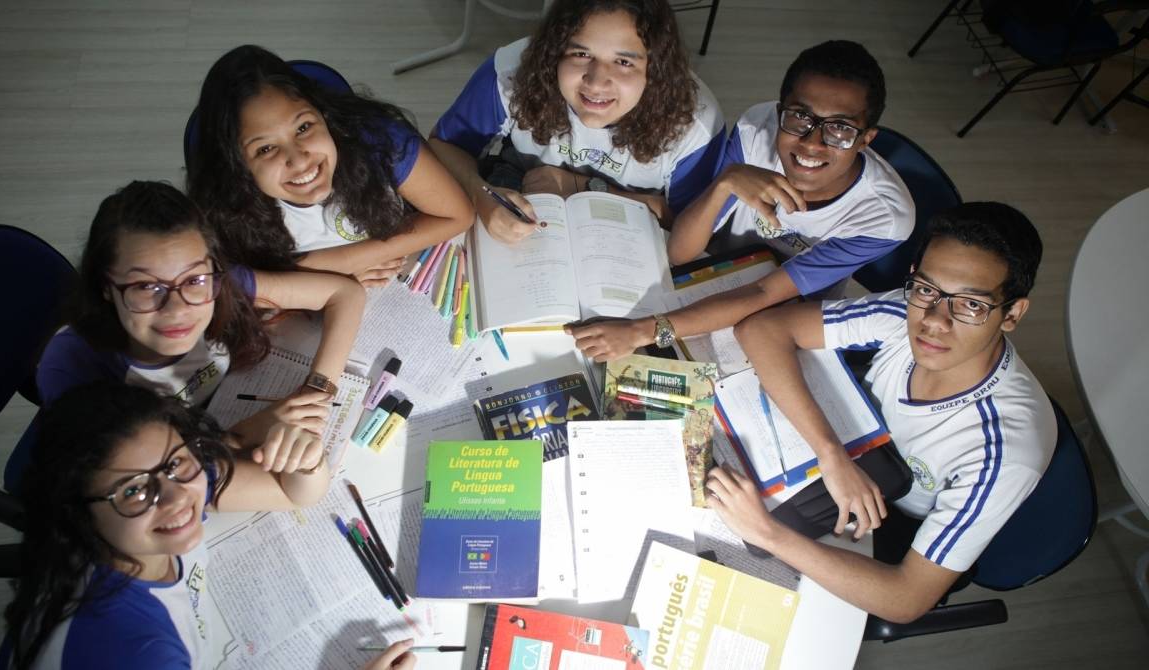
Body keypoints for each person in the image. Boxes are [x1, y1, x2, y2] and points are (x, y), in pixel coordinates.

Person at [705, 203, 1055, 623]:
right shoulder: (907, 311)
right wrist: (832, 454)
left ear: (1012, 314)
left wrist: (767, 533)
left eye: (971, 306)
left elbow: (906, 599)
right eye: (926, 289)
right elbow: (760, 329)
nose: (935, 321)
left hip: (895, 521)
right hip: (843, 453)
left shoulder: (1006, 451)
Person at [0, 382, 416, 669]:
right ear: (78, 511)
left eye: (176, 462)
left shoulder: (170, 489)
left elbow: (294, 494)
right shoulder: (136, 650)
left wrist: (307, 461)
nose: (177, 497)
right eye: (133, 491)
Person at [568, 41, 913, 364]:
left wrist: (642, 331)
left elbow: (764, 291)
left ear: (866, 139)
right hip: (710, 271)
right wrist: (727, 181)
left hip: (789, 308)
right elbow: (681, 252)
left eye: (840, 129)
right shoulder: (757, 130)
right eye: (800, 117)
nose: (812, 143)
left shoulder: (883, 218)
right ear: (780, 111)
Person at [36, 181, 364, 457]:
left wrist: (315, 390)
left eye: (193, 279)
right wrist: (243, 435)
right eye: (146, 287)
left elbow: (345, 294)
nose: (177, 309)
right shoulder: (72, 366)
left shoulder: (217, 284)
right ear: (106, 287)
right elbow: (138, 475)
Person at [429, 0, 725, 243]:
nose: (596, 83)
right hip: (519, 186)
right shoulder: (510, 73)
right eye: (581, 54)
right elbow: (444, 146)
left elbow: (686, 226)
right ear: (554, 51)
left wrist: (580, 186)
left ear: (656, 68)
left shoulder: (694, 123)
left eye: (624, 62)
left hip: (633, 221)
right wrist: (480, 194)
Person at [187, 44, 473, 285]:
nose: (299, 159)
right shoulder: (226, 208)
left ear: (324, 114)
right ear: (236, 166)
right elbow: (242, 288)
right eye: (266, 149)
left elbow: (458, 215)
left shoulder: (380, 141)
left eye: (303, 127)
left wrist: (344, 262)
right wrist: (333, 278)